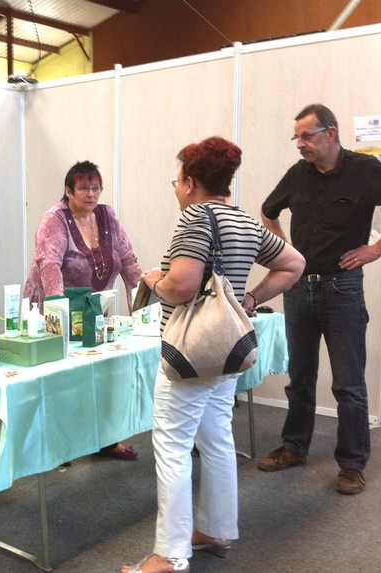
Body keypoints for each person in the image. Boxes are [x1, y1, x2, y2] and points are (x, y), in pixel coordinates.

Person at [123, 137, 304, 573]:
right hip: (226, 352)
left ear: (190, 182)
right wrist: (250, 299)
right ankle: (214, 530)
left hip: (188, 355)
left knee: (172, 446)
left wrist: (156, 279)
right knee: (217, 438)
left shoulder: (195, 218)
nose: (176, 189)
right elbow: (294, 263)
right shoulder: (244, 221)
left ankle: (169, 555)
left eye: (176, 181)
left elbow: (183, 286)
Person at [257, 103, 381, 495]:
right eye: (296, 137)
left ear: (331, 133)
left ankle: (352, 464)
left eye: (306, 136)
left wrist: (377, 248)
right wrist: (286, 252)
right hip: (298, 289)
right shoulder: (297, 174)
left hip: (342, 289)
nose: (299, 144)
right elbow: (268, 211)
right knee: (300, 377)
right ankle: (294, 447)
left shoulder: (366, 170)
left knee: (348, 383)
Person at [24, 160, 143, 460]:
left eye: (96, 188)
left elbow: (128, 261)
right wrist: (58, 316)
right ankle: (59, 447)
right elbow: (49, 265)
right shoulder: (55, 220)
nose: (91, 194)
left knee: (103, 376)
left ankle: (106, 440)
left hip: (94, 314)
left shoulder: (107, 215)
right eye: (83, 188)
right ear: (68, 191)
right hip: (55, 311)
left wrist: (143, 309)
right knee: (62, 382)